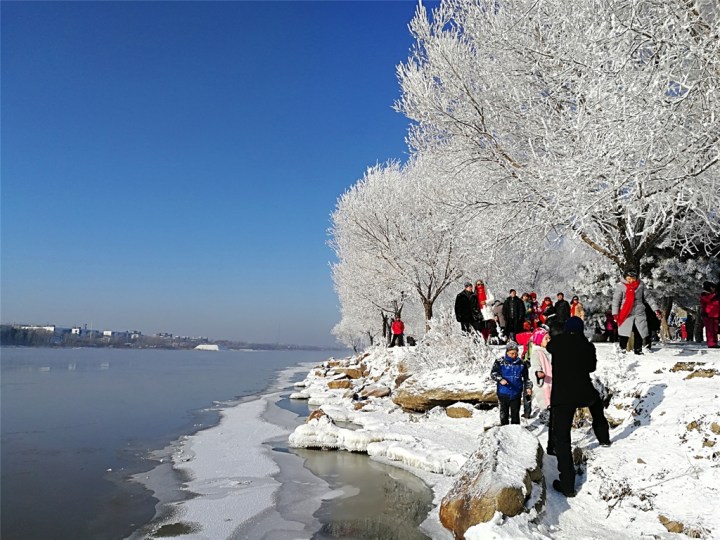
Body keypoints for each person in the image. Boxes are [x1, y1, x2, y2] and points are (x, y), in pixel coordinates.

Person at [547, 317, 611, 497]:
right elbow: (591, 368)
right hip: (584, 391)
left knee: (562, 438)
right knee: (597, 408)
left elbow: (549, 347)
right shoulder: (588, 346)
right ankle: (604, 439)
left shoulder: (558, 342)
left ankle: (567, 485)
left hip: (562, 396)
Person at [611, 270, 659, 355]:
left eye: (633, 278)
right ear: (625, 278)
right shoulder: (620, 286)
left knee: (639, 331)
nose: (631, 280)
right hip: (626, 312)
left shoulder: (640, 285)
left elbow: (648, 297)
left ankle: (638, 349)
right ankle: (622, 348)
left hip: (639, 311)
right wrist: (615, 313)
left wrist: (655, 309)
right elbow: (616, 300)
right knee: (624, 331)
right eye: (629, 279)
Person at [490, 341, 531, 426]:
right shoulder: (500, 362)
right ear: (507, 352)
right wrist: (500, 379)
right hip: (503, 393)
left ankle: (515, 431)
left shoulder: (521, 364)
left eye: (516, 353)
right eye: (512, 353)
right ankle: (504, 430)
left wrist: (528, 388)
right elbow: (493, 374)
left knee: (515, 415)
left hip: (516, 393)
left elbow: (527, 378)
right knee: (504, 415)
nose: (514, 355)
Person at [529, 328, 554, 454]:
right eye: (546, 339)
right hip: (544, 386)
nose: (549, 340)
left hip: (554, 384)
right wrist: (538, 373)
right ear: (539, 341)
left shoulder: (550, 351)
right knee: (550, 413)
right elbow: (534, 367)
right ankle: (551, 445)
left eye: (549, 338)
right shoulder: (537, 353)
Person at [700, 281, 719, 348]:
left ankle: (715, 342)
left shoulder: (715, 296)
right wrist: (715, 294)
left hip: (715, 315)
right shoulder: (704, 294)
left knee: (715, 329)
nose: (714, 289)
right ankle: (711, 343)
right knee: (710, 330)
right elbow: (708, 299)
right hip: (708, 315)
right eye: (712, 287)